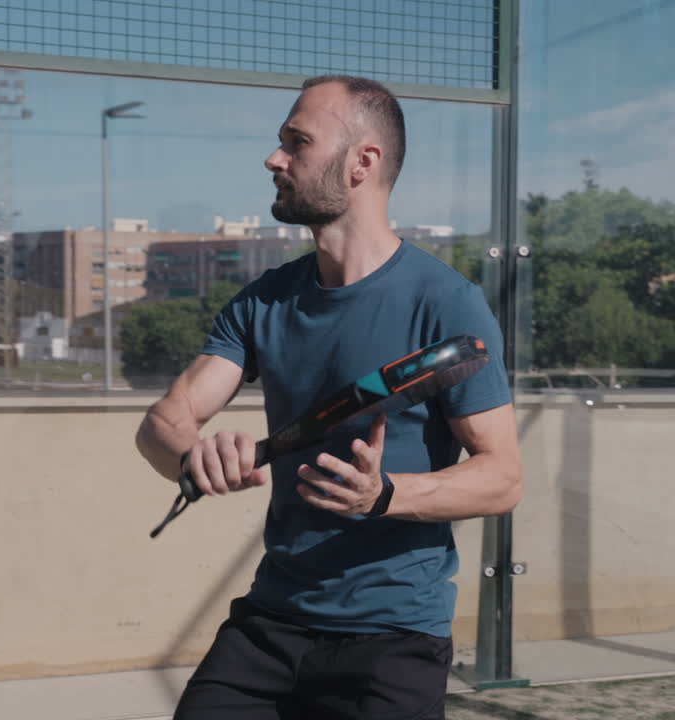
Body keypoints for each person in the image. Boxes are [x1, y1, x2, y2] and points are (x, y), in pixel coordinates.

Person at [136, 74, 522, 719]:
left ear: (361, 163)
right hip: (269, 625)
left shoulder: (447, 302)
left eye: (297, 142)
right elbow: (165, 419)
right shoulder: (263, 301)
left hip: (392, 641)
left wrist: (386, 494)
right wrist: (189, 456)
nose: (273, 158)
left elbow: (503, 478)